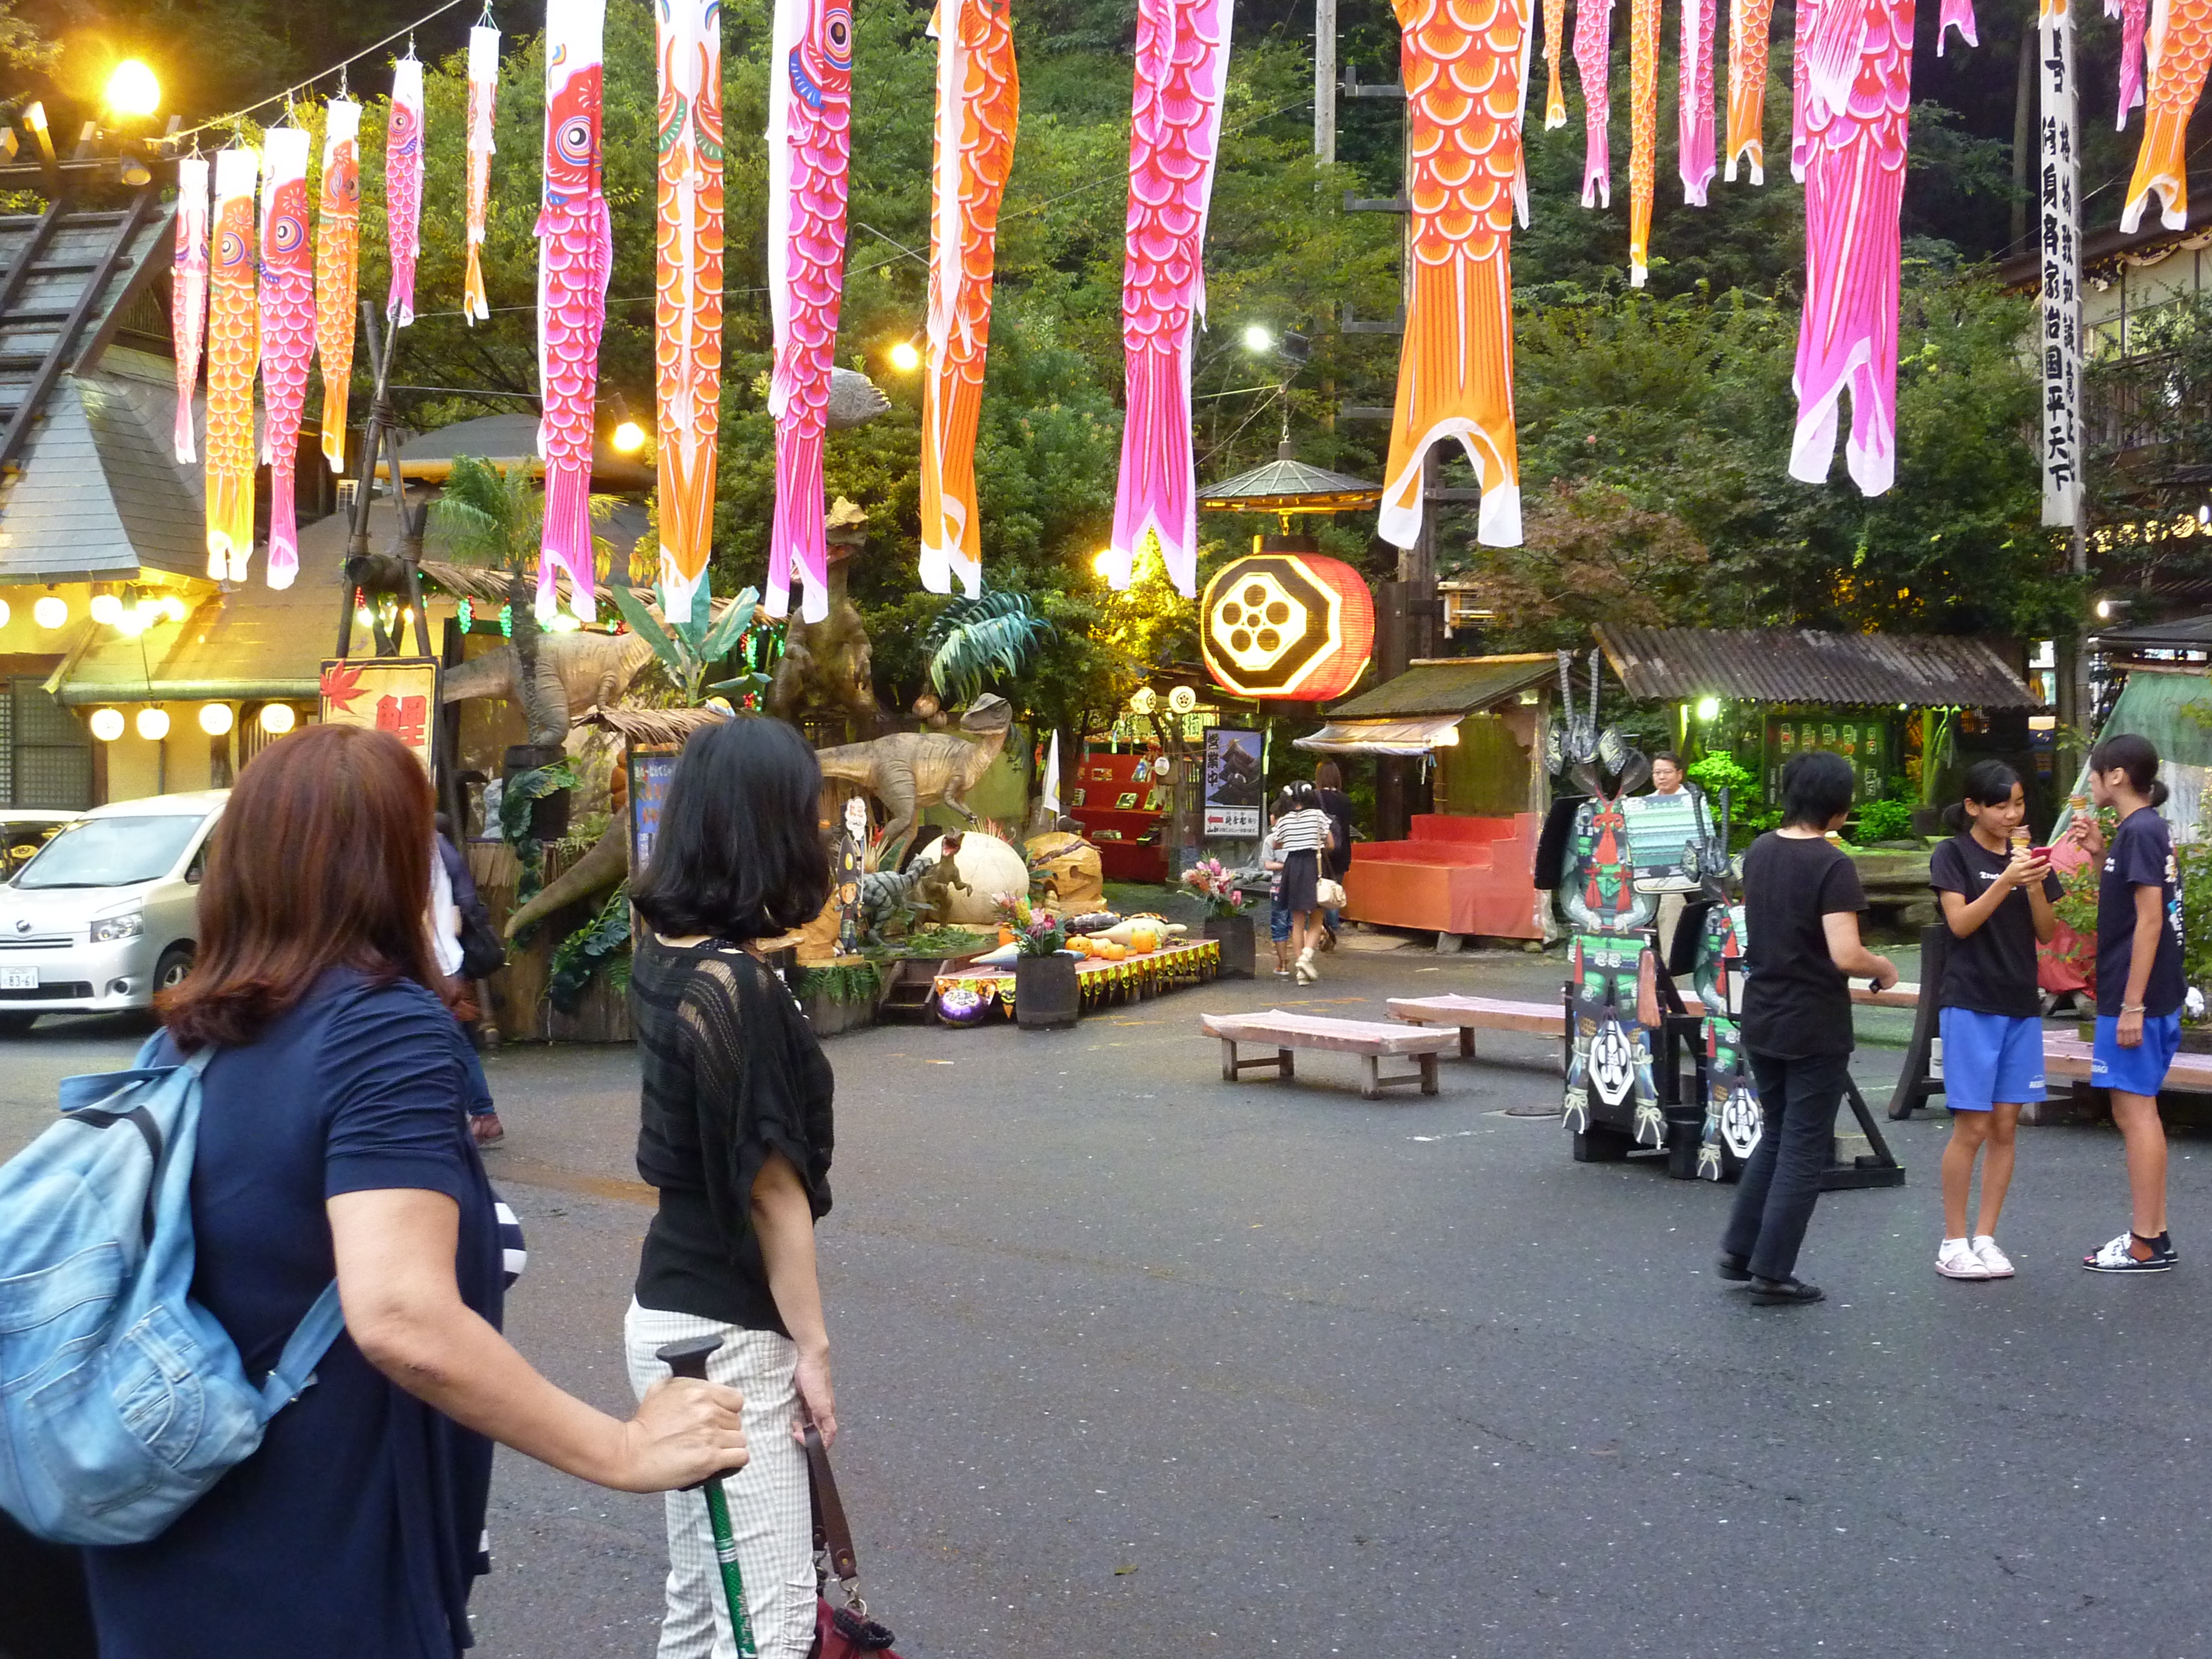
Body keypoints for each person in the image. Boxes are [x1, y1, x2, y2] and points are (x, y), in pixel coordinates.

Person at [79, 724, 746, 1659]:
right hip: (313, 1571)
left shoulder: (185, 1042)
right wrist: (623, 1449)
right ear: (395, 866)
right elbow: (399, 1314)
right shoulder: (380, 1029)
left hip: (158, 1547)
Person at [623, 716, 840, 1659]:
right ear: (766, 824)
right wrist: (814, 1350)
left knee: (707, 1601)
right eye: (808, 810)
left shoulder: (670, 951)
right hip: (728, 1334)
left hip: (667, 1313)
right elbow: (770, 1193)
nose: (820, 828)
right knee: (770, 1624)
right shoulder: (733, 986)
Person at [1718, 751, 1897, 1305]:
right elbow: (1846, 954)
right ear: (1838, 806)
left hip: (1763, 1010)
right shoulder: (1831, 864)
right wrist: (1884, 967)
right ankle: (1773, 1271)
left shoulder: (1760, 852)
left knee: (1777, 1133)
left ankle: (1740, 1250)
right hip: (1813, 1019)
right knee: (1803, 1145)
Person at [1927, 760, 2060, 1281]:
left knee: (2007, 1125)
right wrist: (2006, 880)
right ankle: (1952, 1241)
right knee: (1973, 1125)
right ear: (1973, 807)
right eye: (2001, 805)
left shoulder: (2029, 857)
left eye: (2019, 804)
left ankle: (1986, 1238)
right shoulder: (1953, 854)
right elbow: (1959, 923)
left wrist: (2033, 884)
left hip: (2020, 1003)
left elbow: (2047, 933)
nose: (2012, 815)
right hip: (1970, 1001)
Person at [2071, 733, 2186, 1273]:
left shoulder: (2139, 830)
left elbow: (2150, 920)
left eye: (2095, 773)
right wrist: (2099, 853)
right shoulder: (2141, 829)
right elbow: (2125, 903)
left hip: (2138, 994)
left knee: (2134, 1111)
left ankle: (2144, 1241)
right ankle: (2154, 1234)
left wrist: (2132, 1005)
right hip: (2150, 991)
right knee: (2138, 1109)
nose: (2091, 782)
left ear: (2116, 776)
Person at [1273, 781, 1336, 985]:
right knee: (1317, 917)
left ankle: (1301, 971)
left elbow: (1276, 843)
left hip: (1292, 868)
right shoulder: (1318, 816)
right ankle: (1306, 958)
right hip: (1314, 866)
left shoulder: (1284, 820)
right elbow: (1331, 844)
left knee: (1297, 920)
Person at [1312, 760, 1356, 949]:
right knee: (1334, 891)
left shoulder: (1314, 798)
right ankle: (1333, 929)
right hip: (1341, 852)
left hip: (1320, 852)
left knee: (1317, 893)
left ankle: (1321, 930)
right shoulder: (1346, 800)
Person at [1258, 788, 1298, 977]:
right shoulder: (1298, 834)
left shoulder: (1271, 838)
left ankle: (1283, 964)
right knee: (1298, 923)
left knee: (1279, 924)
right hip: (1298, 884)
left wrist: (1282, 866)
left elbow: (1267, 865)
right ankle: (1303, 961)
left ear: (1275, 817)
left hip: (1278, 886)